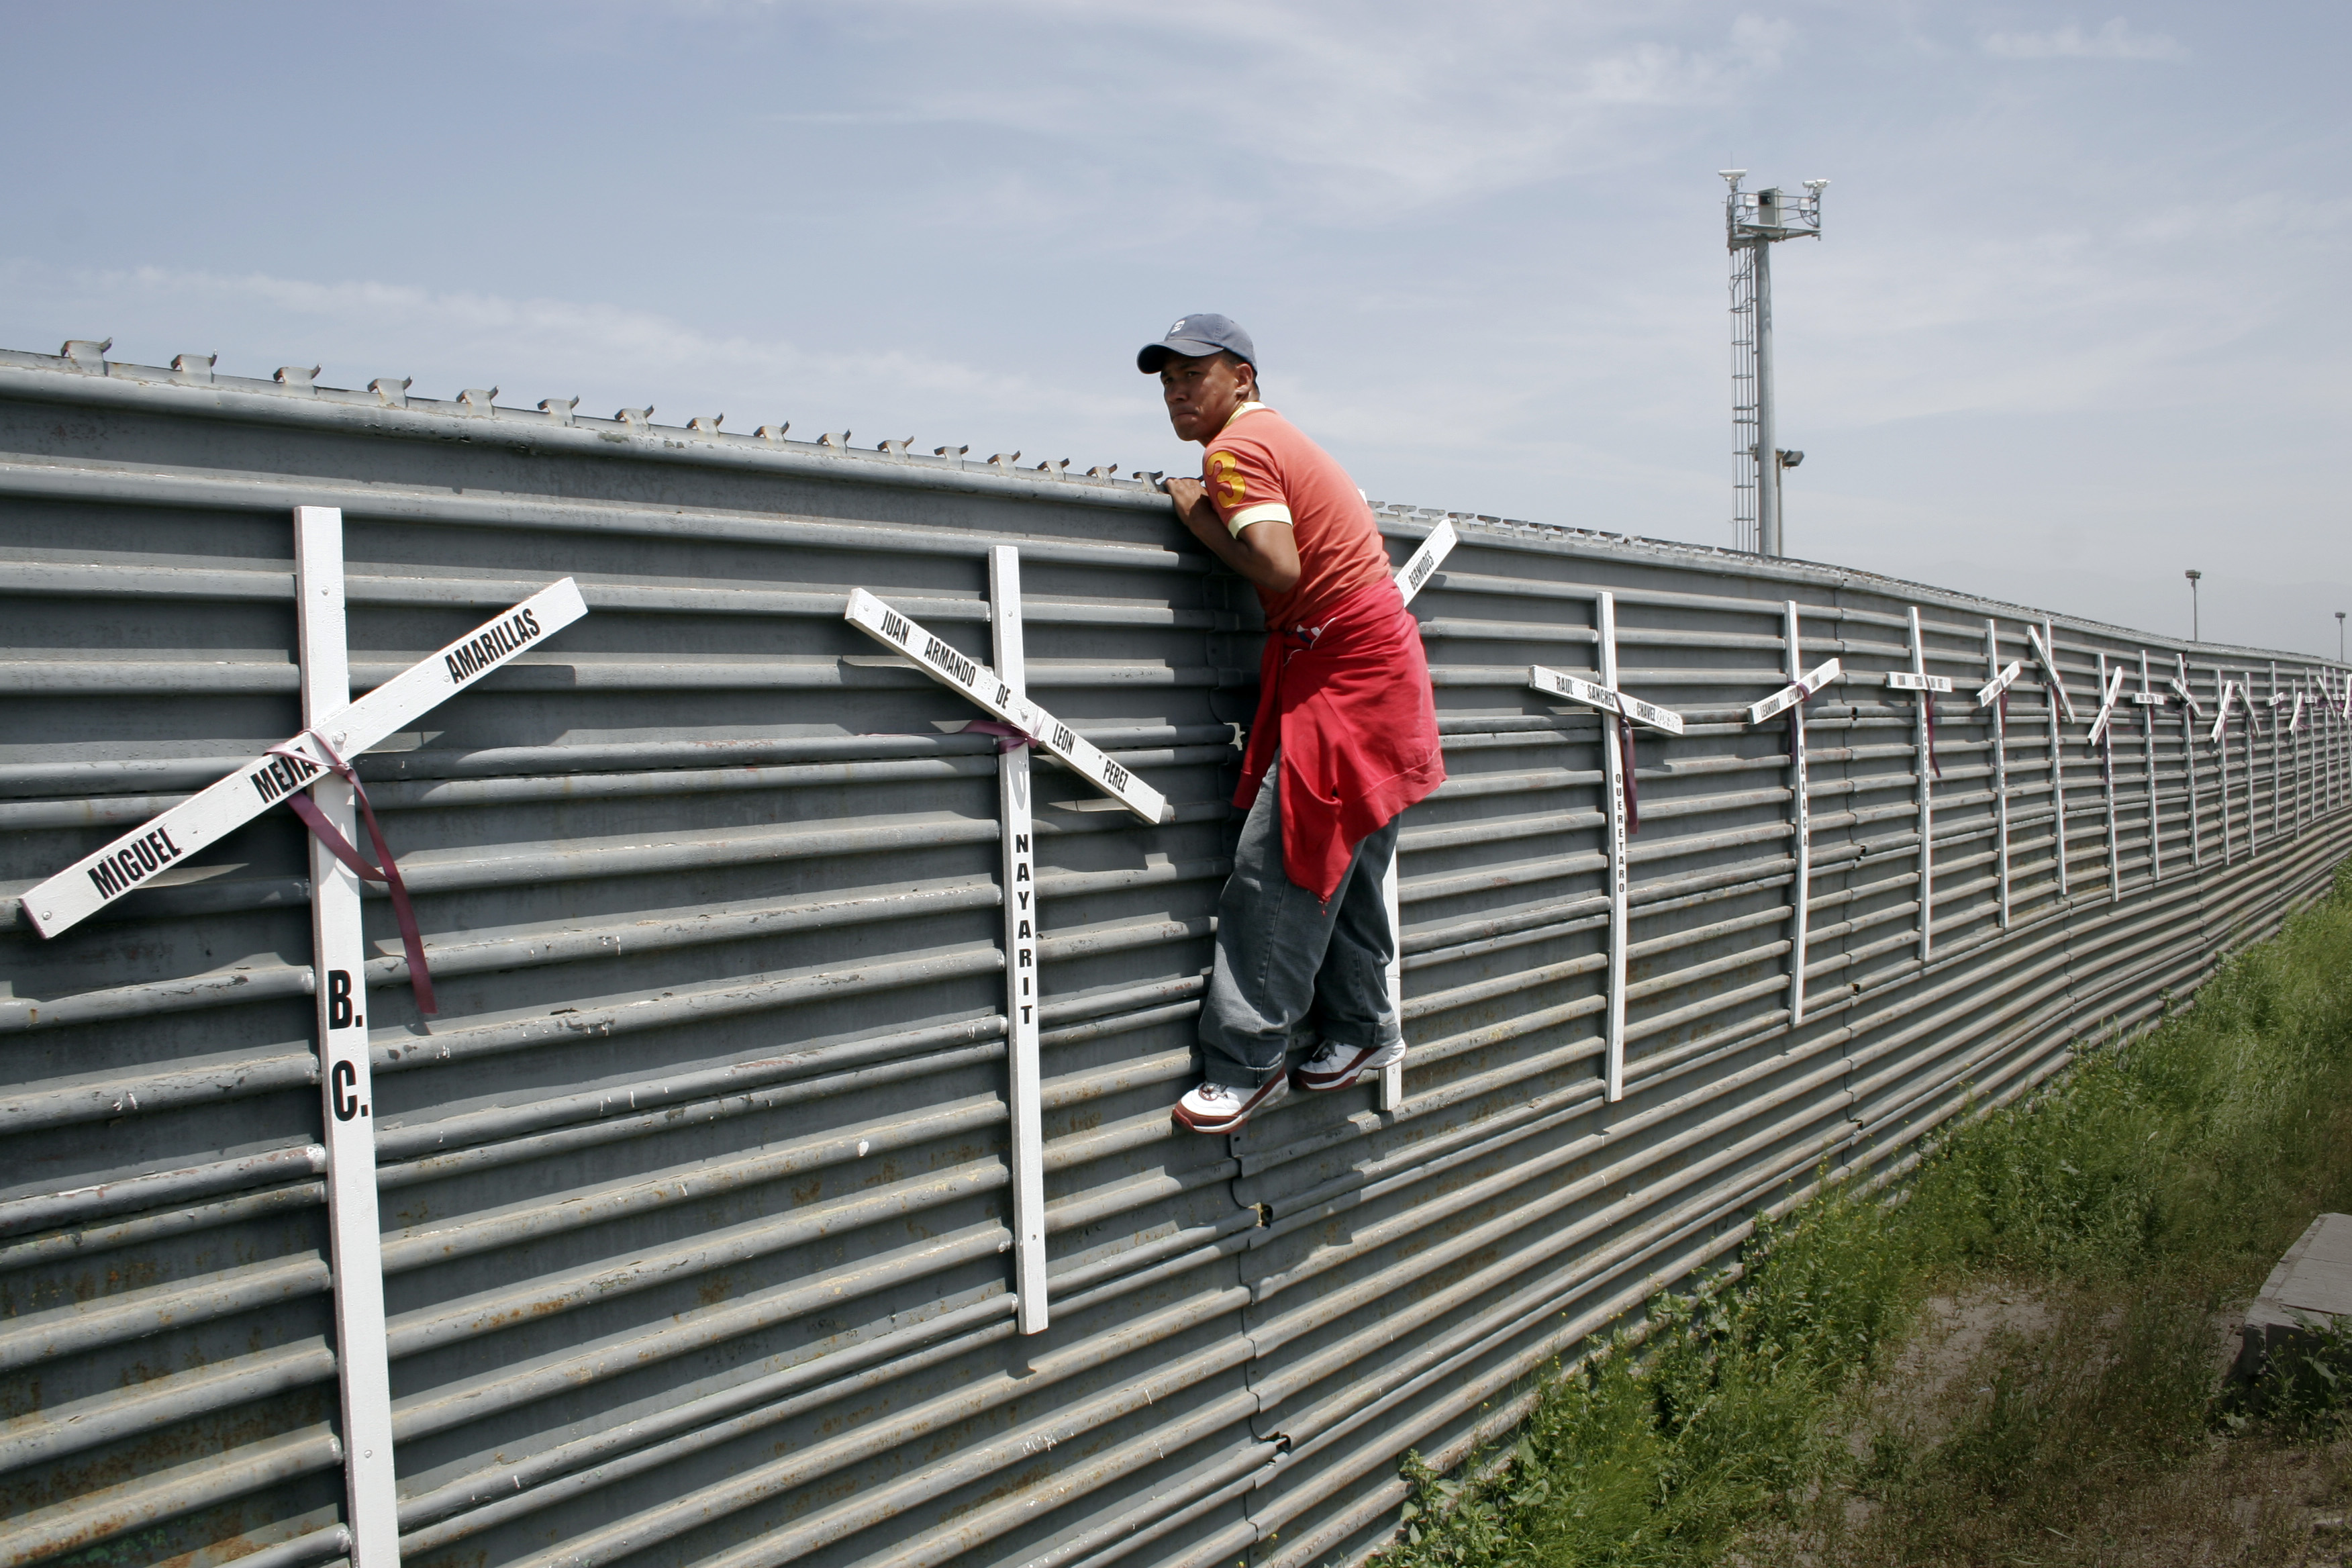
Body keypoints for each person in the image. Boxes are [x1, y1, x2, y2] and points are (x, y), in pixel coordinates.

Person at [1139, 314, 1445, 1133]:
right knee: (1340, 860)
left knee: (1281, 866)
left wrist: (1198, 518)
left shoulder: (1234, 451)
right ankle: (1360, 1029)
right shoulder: (1281, 437)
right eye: (1165, 380)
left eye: (1191, 375)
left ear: (1242, 376)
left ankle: (1247, 1062)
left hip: (1344, 675)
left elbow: (1279, 565)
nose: (1175, 391)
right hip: (1370, 666)